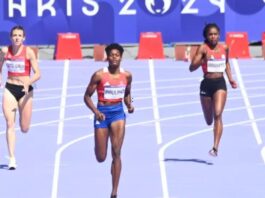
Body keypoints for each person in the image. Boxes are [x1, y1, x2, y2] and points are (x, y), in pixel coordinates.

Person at [84, 43, 134, 198]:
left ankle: (114, 191)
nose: (114, 57)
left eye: (117, 55)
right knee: (101, 157)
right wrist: (96, 111)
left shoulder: (127, 76)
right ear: (107, 57)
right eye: (111, 55)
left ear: (121, 57)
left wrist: (129, 104)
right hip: (102, 115)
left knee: (117, 152)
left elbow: (127, 93)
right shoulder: (99, 75)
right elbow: (86, 97)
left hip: (118, 114)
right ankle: (101, 151)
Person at [189, 23, 237, 157]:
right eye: (210, 34)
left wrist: (231, 79)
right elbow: (191, 68)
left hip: (220, 84)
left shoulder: (225, 47)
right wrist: (202, 60)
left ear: (219, 35)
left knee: (218, 114)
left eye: (215, 34)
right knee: (209, 120)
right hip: (206, 85)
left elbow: (226, 62)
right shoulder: (203, 48)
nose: (213, 36)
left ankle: (215, 147)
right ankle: (212, 128)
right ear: (206, 36)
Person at [0, 25, 41, 169]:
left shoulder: (29, 52)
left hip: (25, 91)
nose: (17, 37)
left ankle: (23, 121)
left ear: (24, 38)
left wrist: (28, 82)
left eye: (19, 35)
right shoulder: (5, 51)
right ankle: (12, 158)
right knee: (10, 124)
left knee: (24, 127)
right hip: (10, 89)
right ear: (11, 37)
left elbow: (37, 73)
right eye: (14, 35)